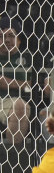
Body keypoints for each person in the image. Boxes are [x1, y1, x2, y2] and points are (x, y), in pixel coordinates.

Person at [0, 15, 31, 147]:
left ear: (19, 40)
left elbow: (35, 85)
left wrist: (8, 82)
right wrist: (23, 84)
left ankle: (13, 158)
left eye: (11, 36)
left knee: (20, 106)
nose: (7, 40)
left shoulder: (29, 58)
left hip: (14, 101)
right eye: (2, 36)